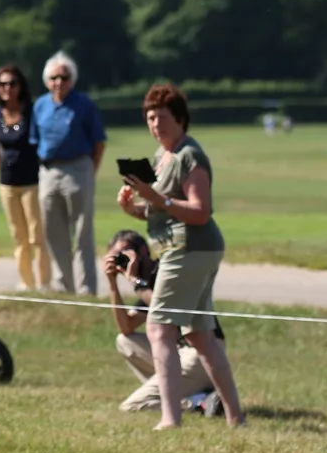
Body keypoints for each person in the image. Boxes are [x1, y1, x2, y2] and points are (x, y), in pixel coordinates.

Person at [116, 83, 245, 429]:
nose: (155, 125)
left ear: (180, 119)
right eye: (150, 119)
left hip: (190, 248)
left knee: (159, 328)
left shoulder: (191, 156)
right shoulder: (161, 158)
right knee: (201, 334)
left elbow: (200, 211)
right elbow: (162, 213)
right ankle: (236, 417)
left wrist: (155, 199)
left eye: (161, 118)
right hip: (185, 247)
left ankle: (171, 418)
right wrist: (134, 208)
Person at [103, 230, 226, 416]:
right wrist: (112, 284)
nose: (123, 260)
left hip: (199, 353)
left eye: (126, 253)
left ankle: (198, 403)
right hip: (177, 352)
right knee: (124, 340)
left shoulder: (165, 271)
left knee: (131, 406)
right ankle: (198, 396)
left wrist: (135, 281)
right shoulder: (144, 283)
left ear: (143, 250)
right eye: (117, 256)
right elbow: (125, 326)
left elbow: (163, 308)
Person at [31, 51, 107, 295]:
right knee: (53, 231)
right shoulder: (40, 105)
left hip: (78, 167)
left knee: (82, 231)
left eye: (63, 78)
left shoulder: (83, 104)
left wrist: (89, 171)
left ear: (71, 79)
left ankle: (86, 288)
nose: (58, 83)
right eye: (54, 78)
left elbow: (99, 142)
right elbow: (35, 140)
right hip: (49, 170)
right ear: (46, 80)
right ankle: (64, 285)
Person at [0, 65, 49, 291]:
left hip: (31, 180)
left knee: (37, 235)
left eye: (12, 83)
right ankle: (26, 282)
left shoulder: (31, 111)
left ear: (20, 86)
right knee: (18, 236)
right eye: (2, 84)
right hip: (6, 182)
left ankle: (44, 283)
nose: (7, 88)